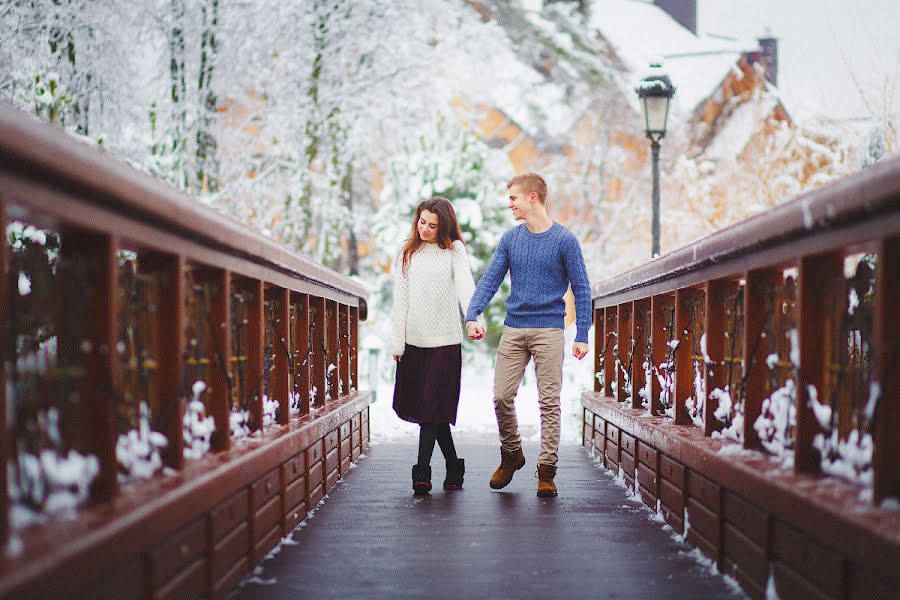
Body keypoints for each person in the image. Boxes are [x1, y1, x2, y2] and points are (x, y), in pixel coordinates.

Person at [465, 173, 591, 497]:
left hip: (550, 329)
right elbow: (490, 279)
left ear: (532, 197)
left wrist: (582, 334)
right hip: (514, 327)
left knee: (549, 402)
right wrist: (472, 313)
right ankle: (512, 453)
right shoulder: (511, 239)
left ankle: (546, 471)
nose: (510, 204)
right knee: (501, 396)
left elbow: (582, 289)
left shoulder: (565, 241)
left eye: (513, 198)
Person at [390, 196, 482, 495]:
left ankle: (422, 474)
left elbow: (466, 287)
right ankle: (454, 465)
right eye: (422, 222)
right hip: (415, 342)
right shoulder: (406, 253)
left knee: (431, 407)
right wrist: (397, 342)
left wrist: (474, 319)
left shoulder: (453, 251)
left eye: (432, 225)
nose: (425, 229)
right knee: (433, 410)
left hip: (445, 341)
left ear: (444, 226)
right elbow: (400, 301)